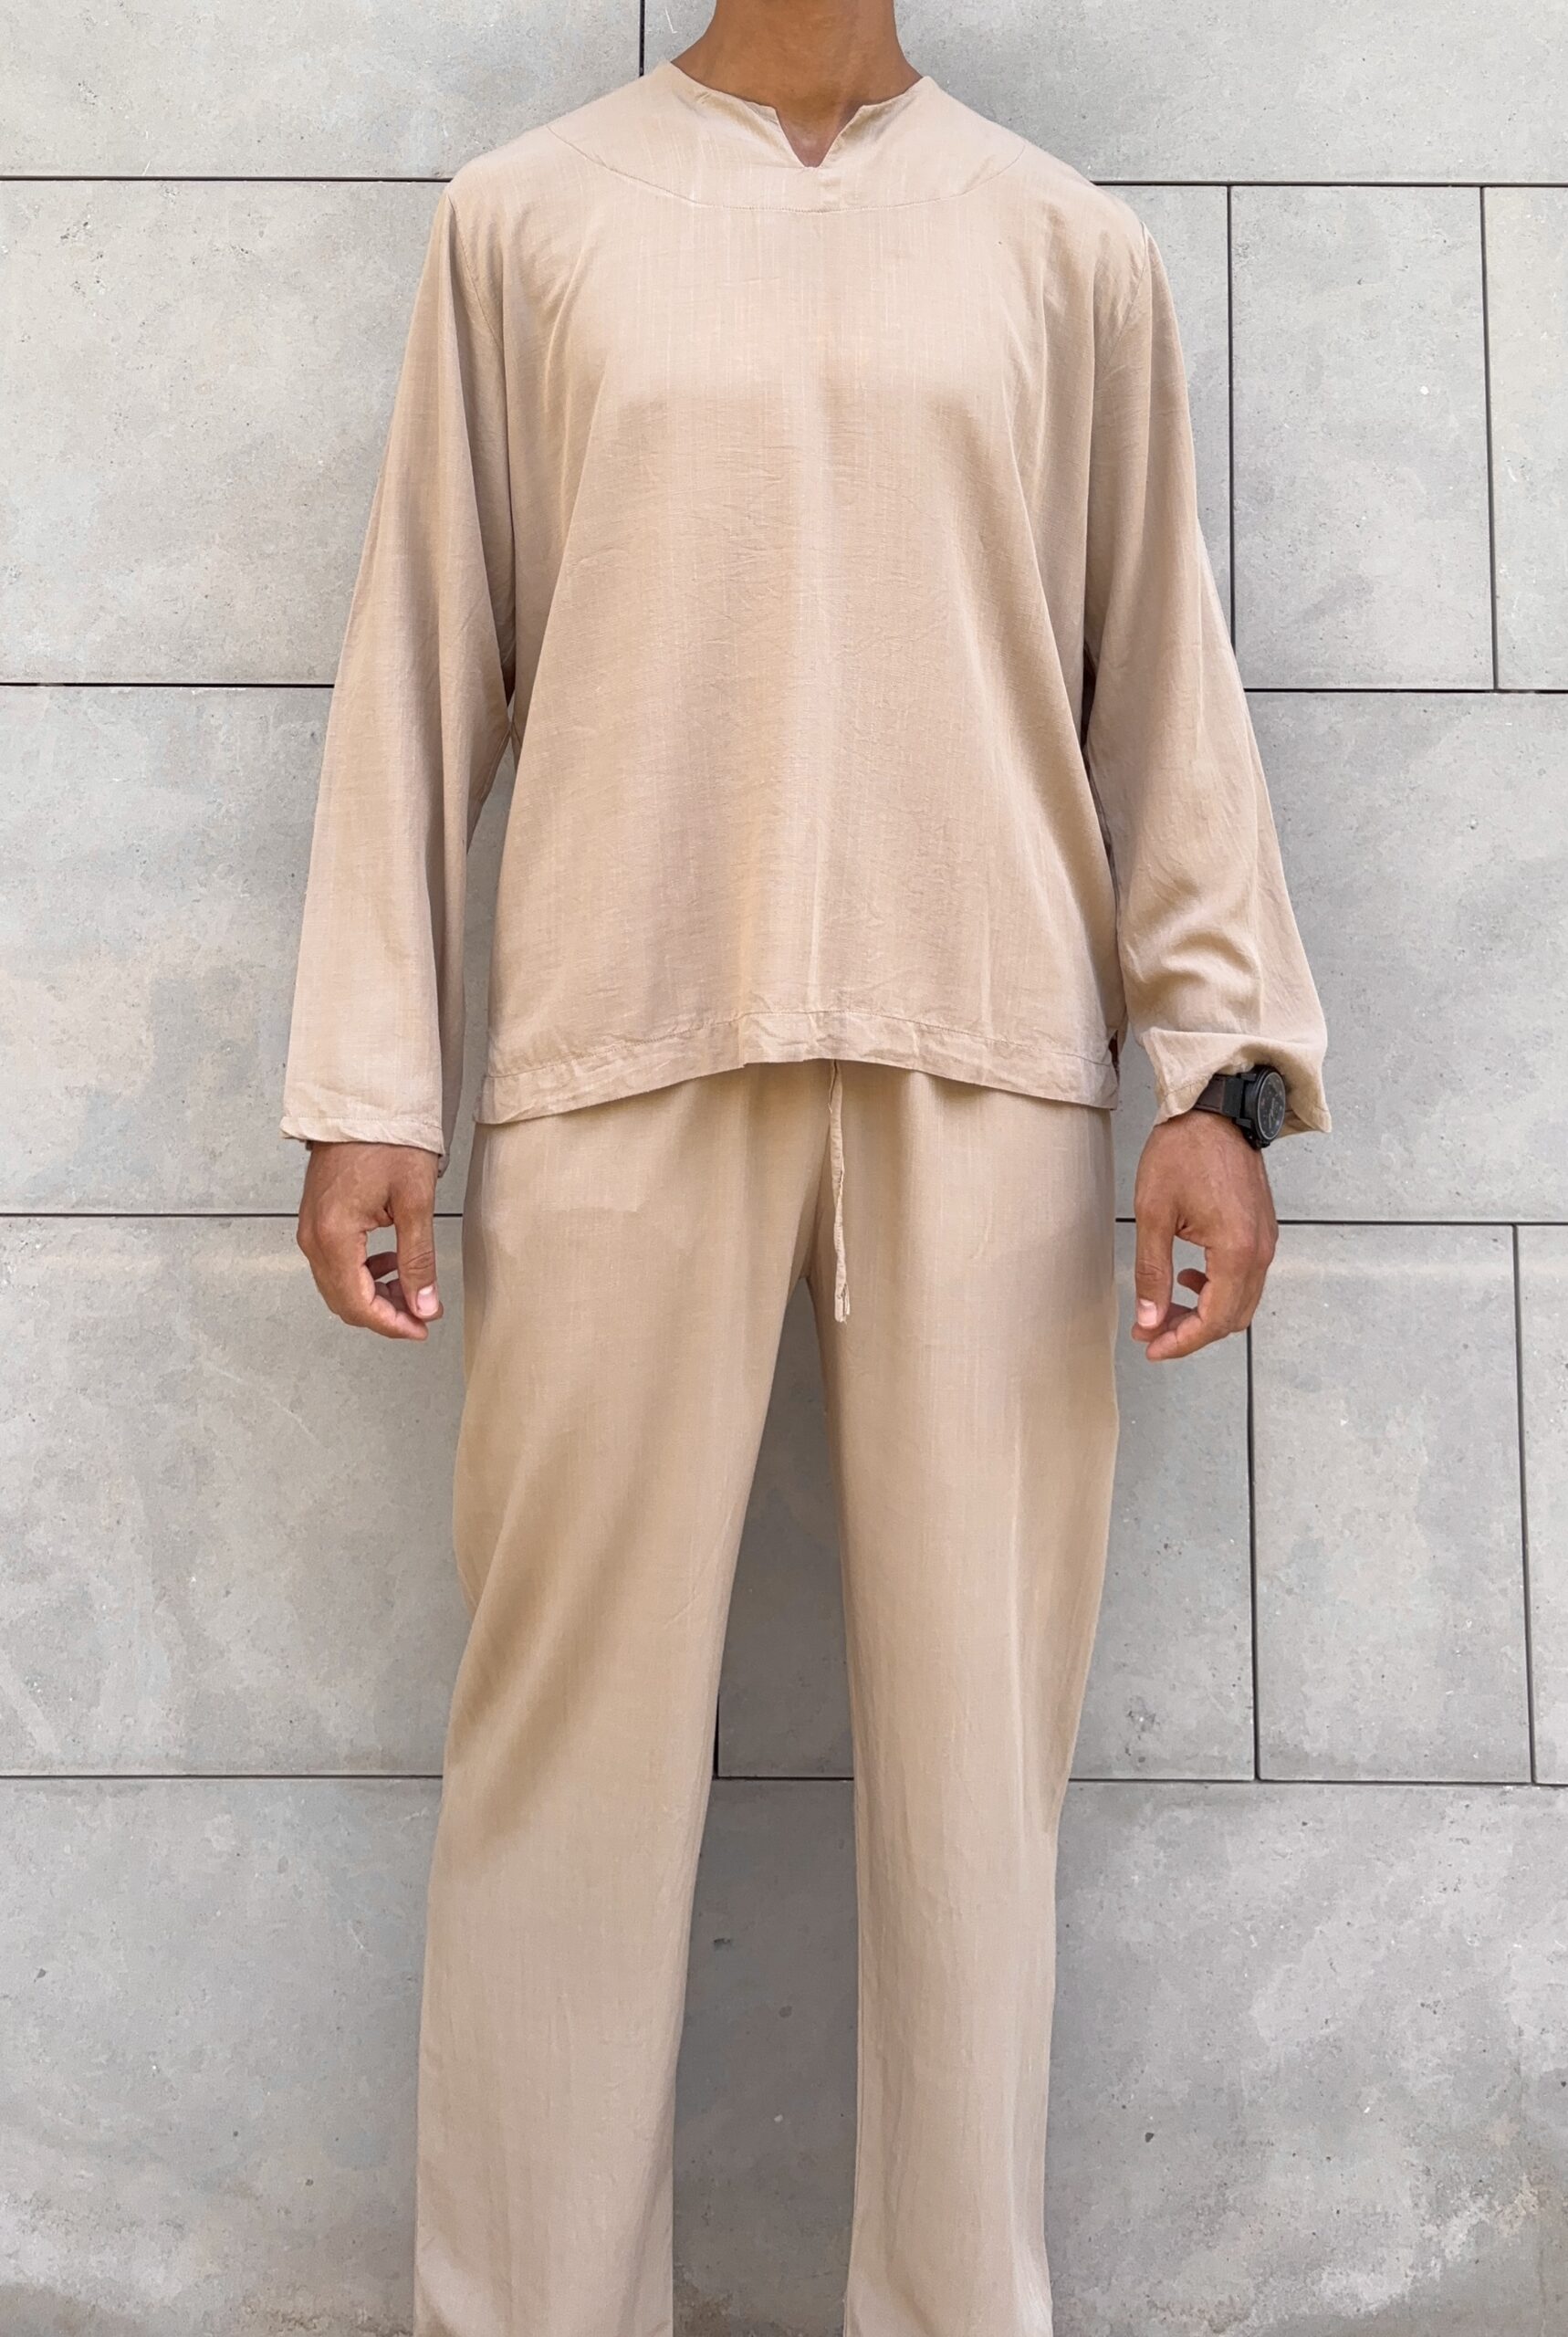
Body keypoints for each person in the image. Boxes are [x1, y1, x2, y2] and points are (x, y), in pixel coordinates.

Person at [281, 5, 1329, 2331]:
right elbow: (424, 652)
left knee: (974, 1790)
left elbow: (1160, 676)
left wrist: (1224, 1076)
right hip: (617, 1039)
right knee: (563, 1763)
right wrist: (373, 1077)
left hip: (986, 1065)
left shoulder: (1062, 246)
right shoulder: (526, 222)